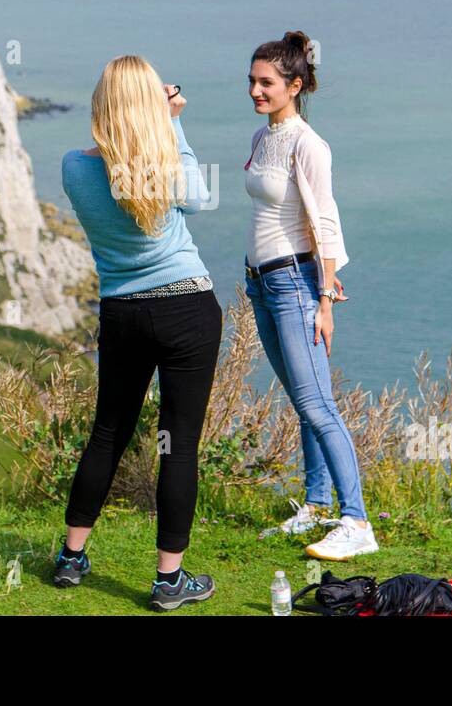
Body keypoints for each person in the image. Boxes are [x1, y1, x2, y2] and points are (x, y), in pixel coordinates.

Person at [54, 54, 223, 610]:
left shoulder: (74, 167)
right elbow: (199, 199)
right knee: (178, 446)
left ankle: (72, 557)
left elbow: (111, 171)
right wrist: (172, 121)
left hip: (122, 313)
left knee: (108, 432)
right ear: (150, 102)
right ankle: (168, 581)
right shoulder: (161, 160)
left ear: (101, 103)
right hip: (185, 308)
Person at [243, 31, 378, 561]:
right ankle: (317, 507)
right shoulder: (261, 139)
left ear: (295, 85)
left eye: (266, 83)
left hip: (296, 284)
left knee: (319, 406)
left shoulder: (308, 144)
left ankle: (357, 522)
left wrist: (324, 294)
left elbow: (324, 218)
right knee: (303, 403)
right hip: (261, 281)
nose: (255, 91)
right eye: (252, 81)